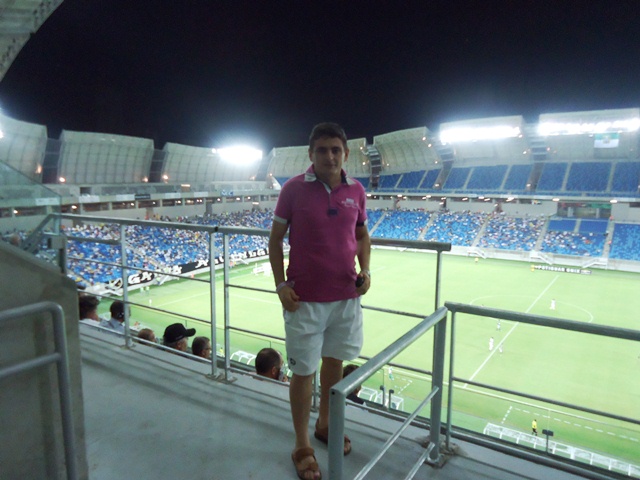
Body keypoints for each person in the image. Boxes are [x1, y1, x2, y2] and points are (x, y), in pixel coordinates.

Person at [269, 122, 371, 480]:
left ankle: (326, 424)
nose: (330, 156)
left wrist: (366, 271)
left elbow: (362, 235)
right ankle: (301, 445)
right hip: (305, 300)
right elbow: (275, 239)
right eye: (323, 150)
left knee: (334, 362)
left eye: (336, 149)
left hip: (345, 298)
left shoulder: (356, 190)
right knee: (303, 372)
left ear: (346, 153)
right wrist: (281, 285)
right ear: (311, 154)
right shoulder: (293, 189)